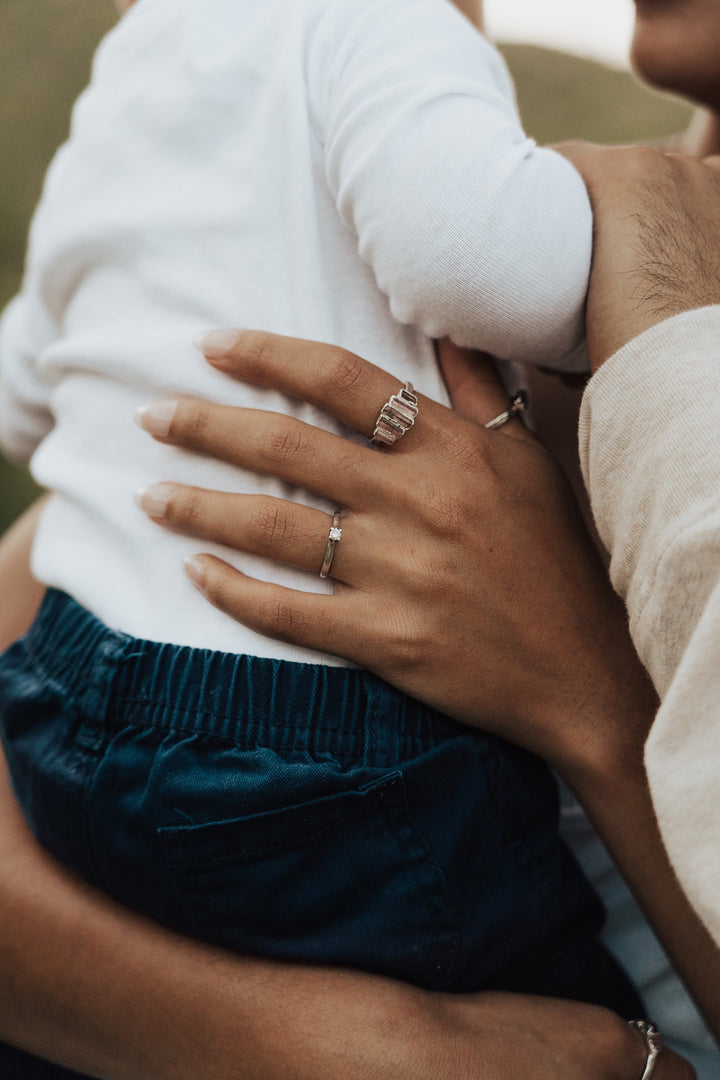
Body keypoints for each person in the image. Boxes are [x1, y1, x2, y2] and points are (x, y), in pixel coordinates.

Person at [0, 2, 717, 1079]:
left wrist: (591, 702)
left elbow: (32, 383)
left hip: (77, 690)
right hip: (326, 757)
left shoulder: (155, 67)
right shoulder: (417, 89)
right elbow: (483, 265)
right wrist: (349, 1049)